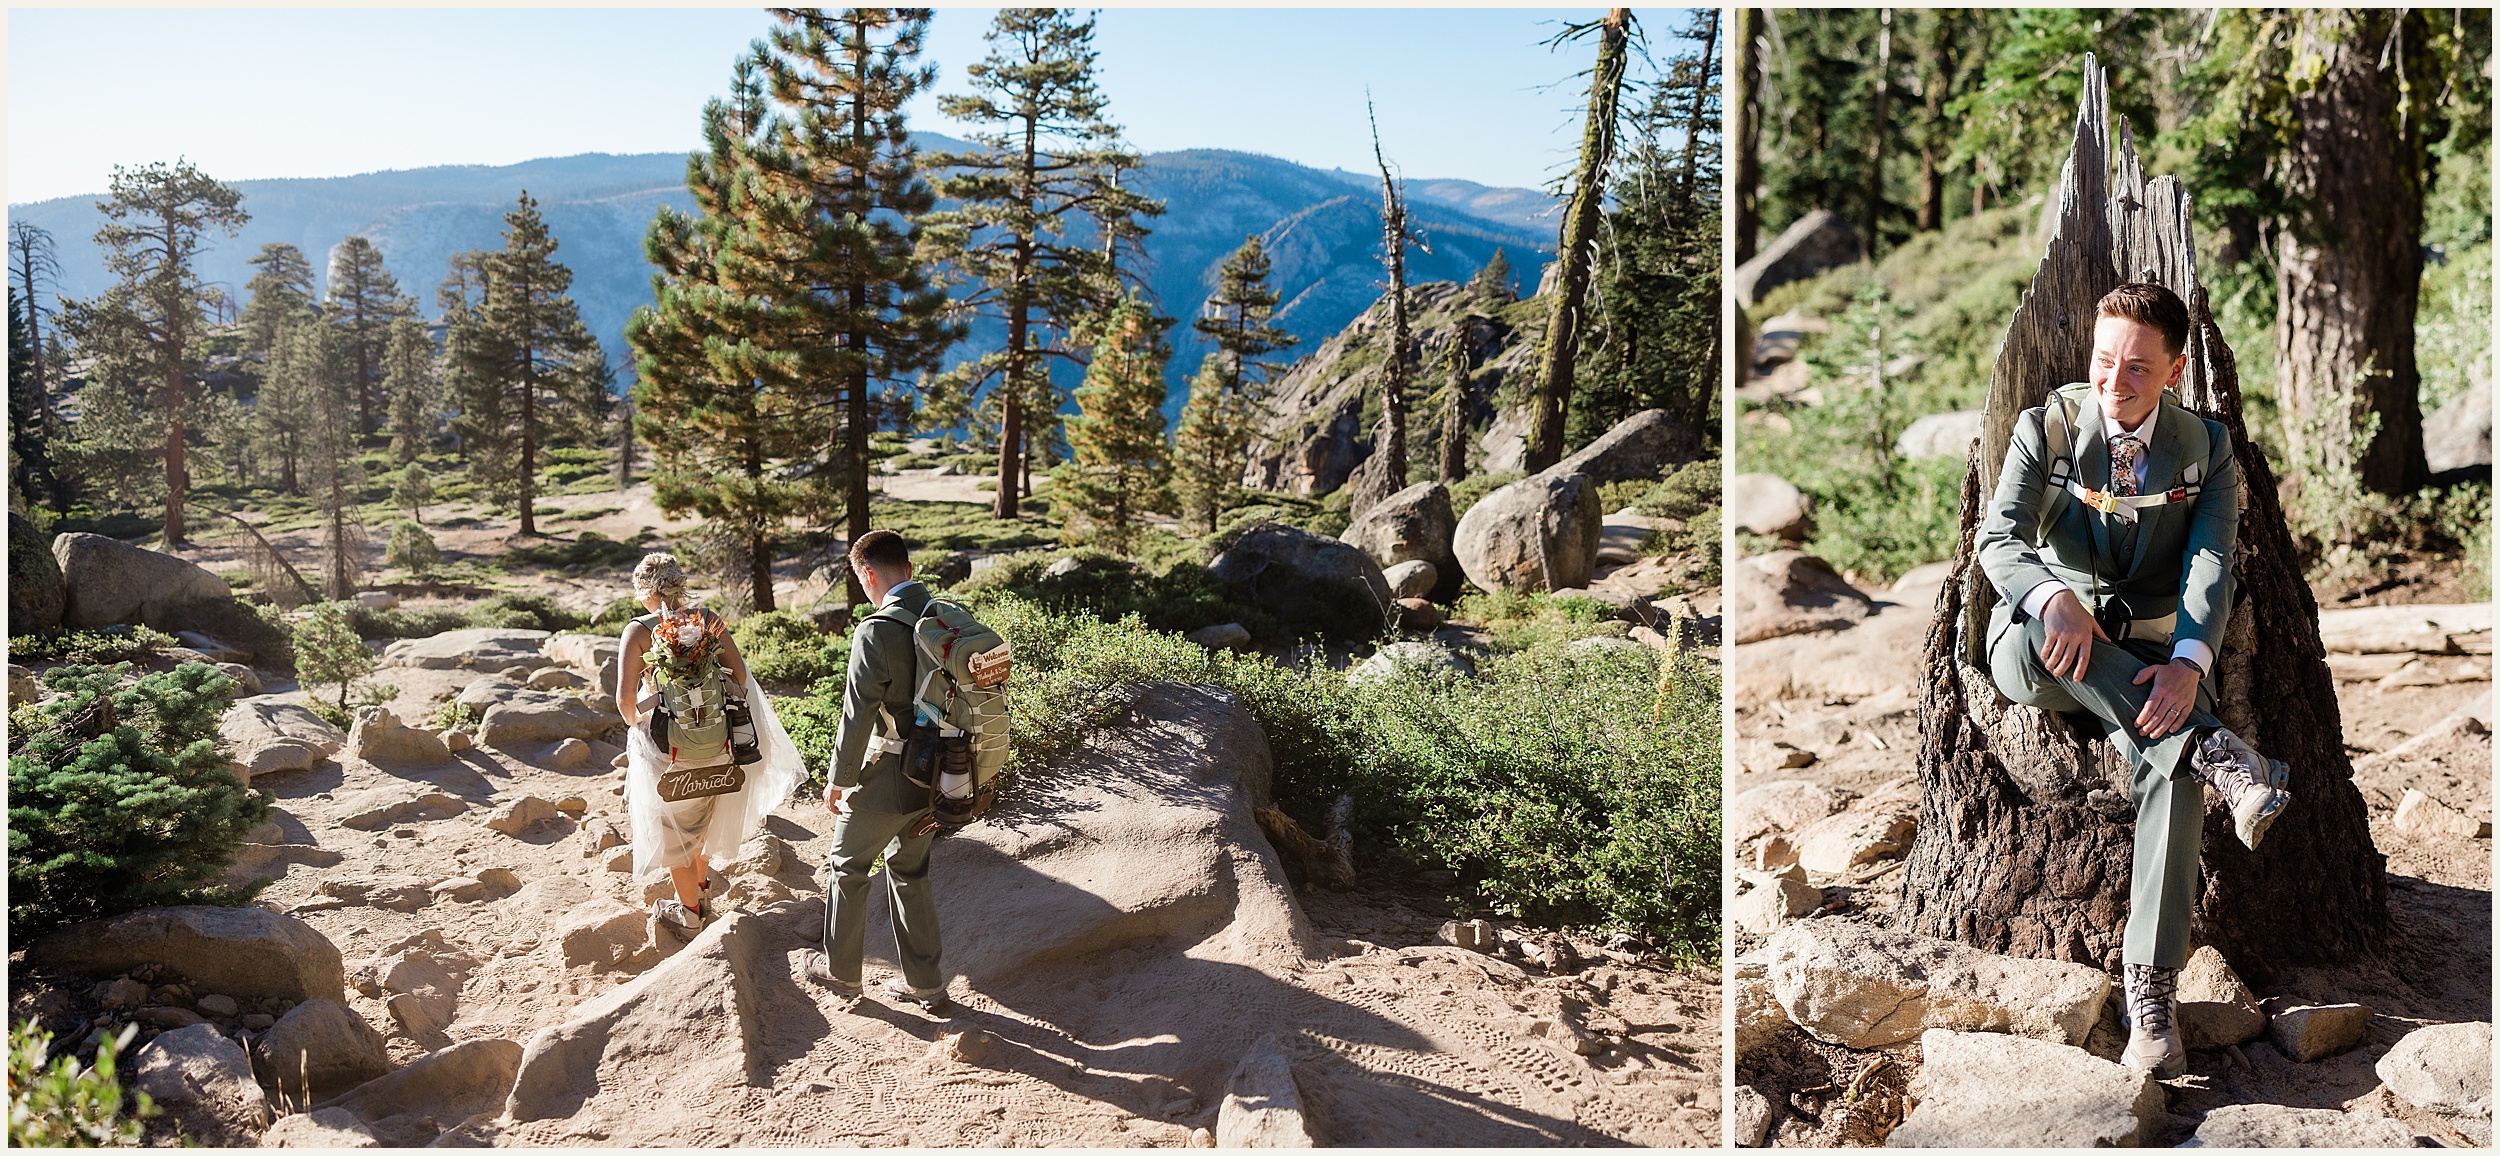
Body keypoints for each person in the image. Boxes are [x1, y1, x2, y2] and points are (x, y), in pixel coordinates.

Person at [1976, 282, 2293, 1077]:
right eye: (2104, 361)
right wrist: (2052, 599)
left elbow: (2209, 563)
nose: (2116, 383)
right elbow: (1998, 538)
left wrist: (2189, 663)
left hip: (2155, 655)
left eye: (2139, 369)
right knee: (2031, 657)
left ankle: (2150, 993)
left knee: (2170, 768)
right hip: (2040, 638)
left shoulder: (2206, 448)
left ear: (2176, 370)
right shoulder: (2044, 427)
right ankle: (2223, 752)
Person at [615, 553, 805, 940]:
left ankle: (688, 915)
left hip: (669, 751)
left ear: (642, 591)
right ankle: (701, 895)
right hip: (720, 744)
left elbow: (624, 704)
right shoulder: (708, 619)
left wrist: (647, 714)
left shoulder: (637, 632)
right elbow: (740, 676)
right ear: (679, 583)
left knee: (673, 834)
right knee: (701, 825)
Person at [802, 530, 950, 1009]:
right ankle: (926, 983)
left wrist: (839, 779)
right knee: (911, 870)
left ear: (868, 574)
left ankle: (841, 973)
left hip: (892, 772)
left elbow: (858, 712)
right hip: (945, 774)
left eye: (861, 581)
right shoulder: (946, 617)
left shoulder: (877, 630)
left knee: (847, 865)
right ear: (907, 569)